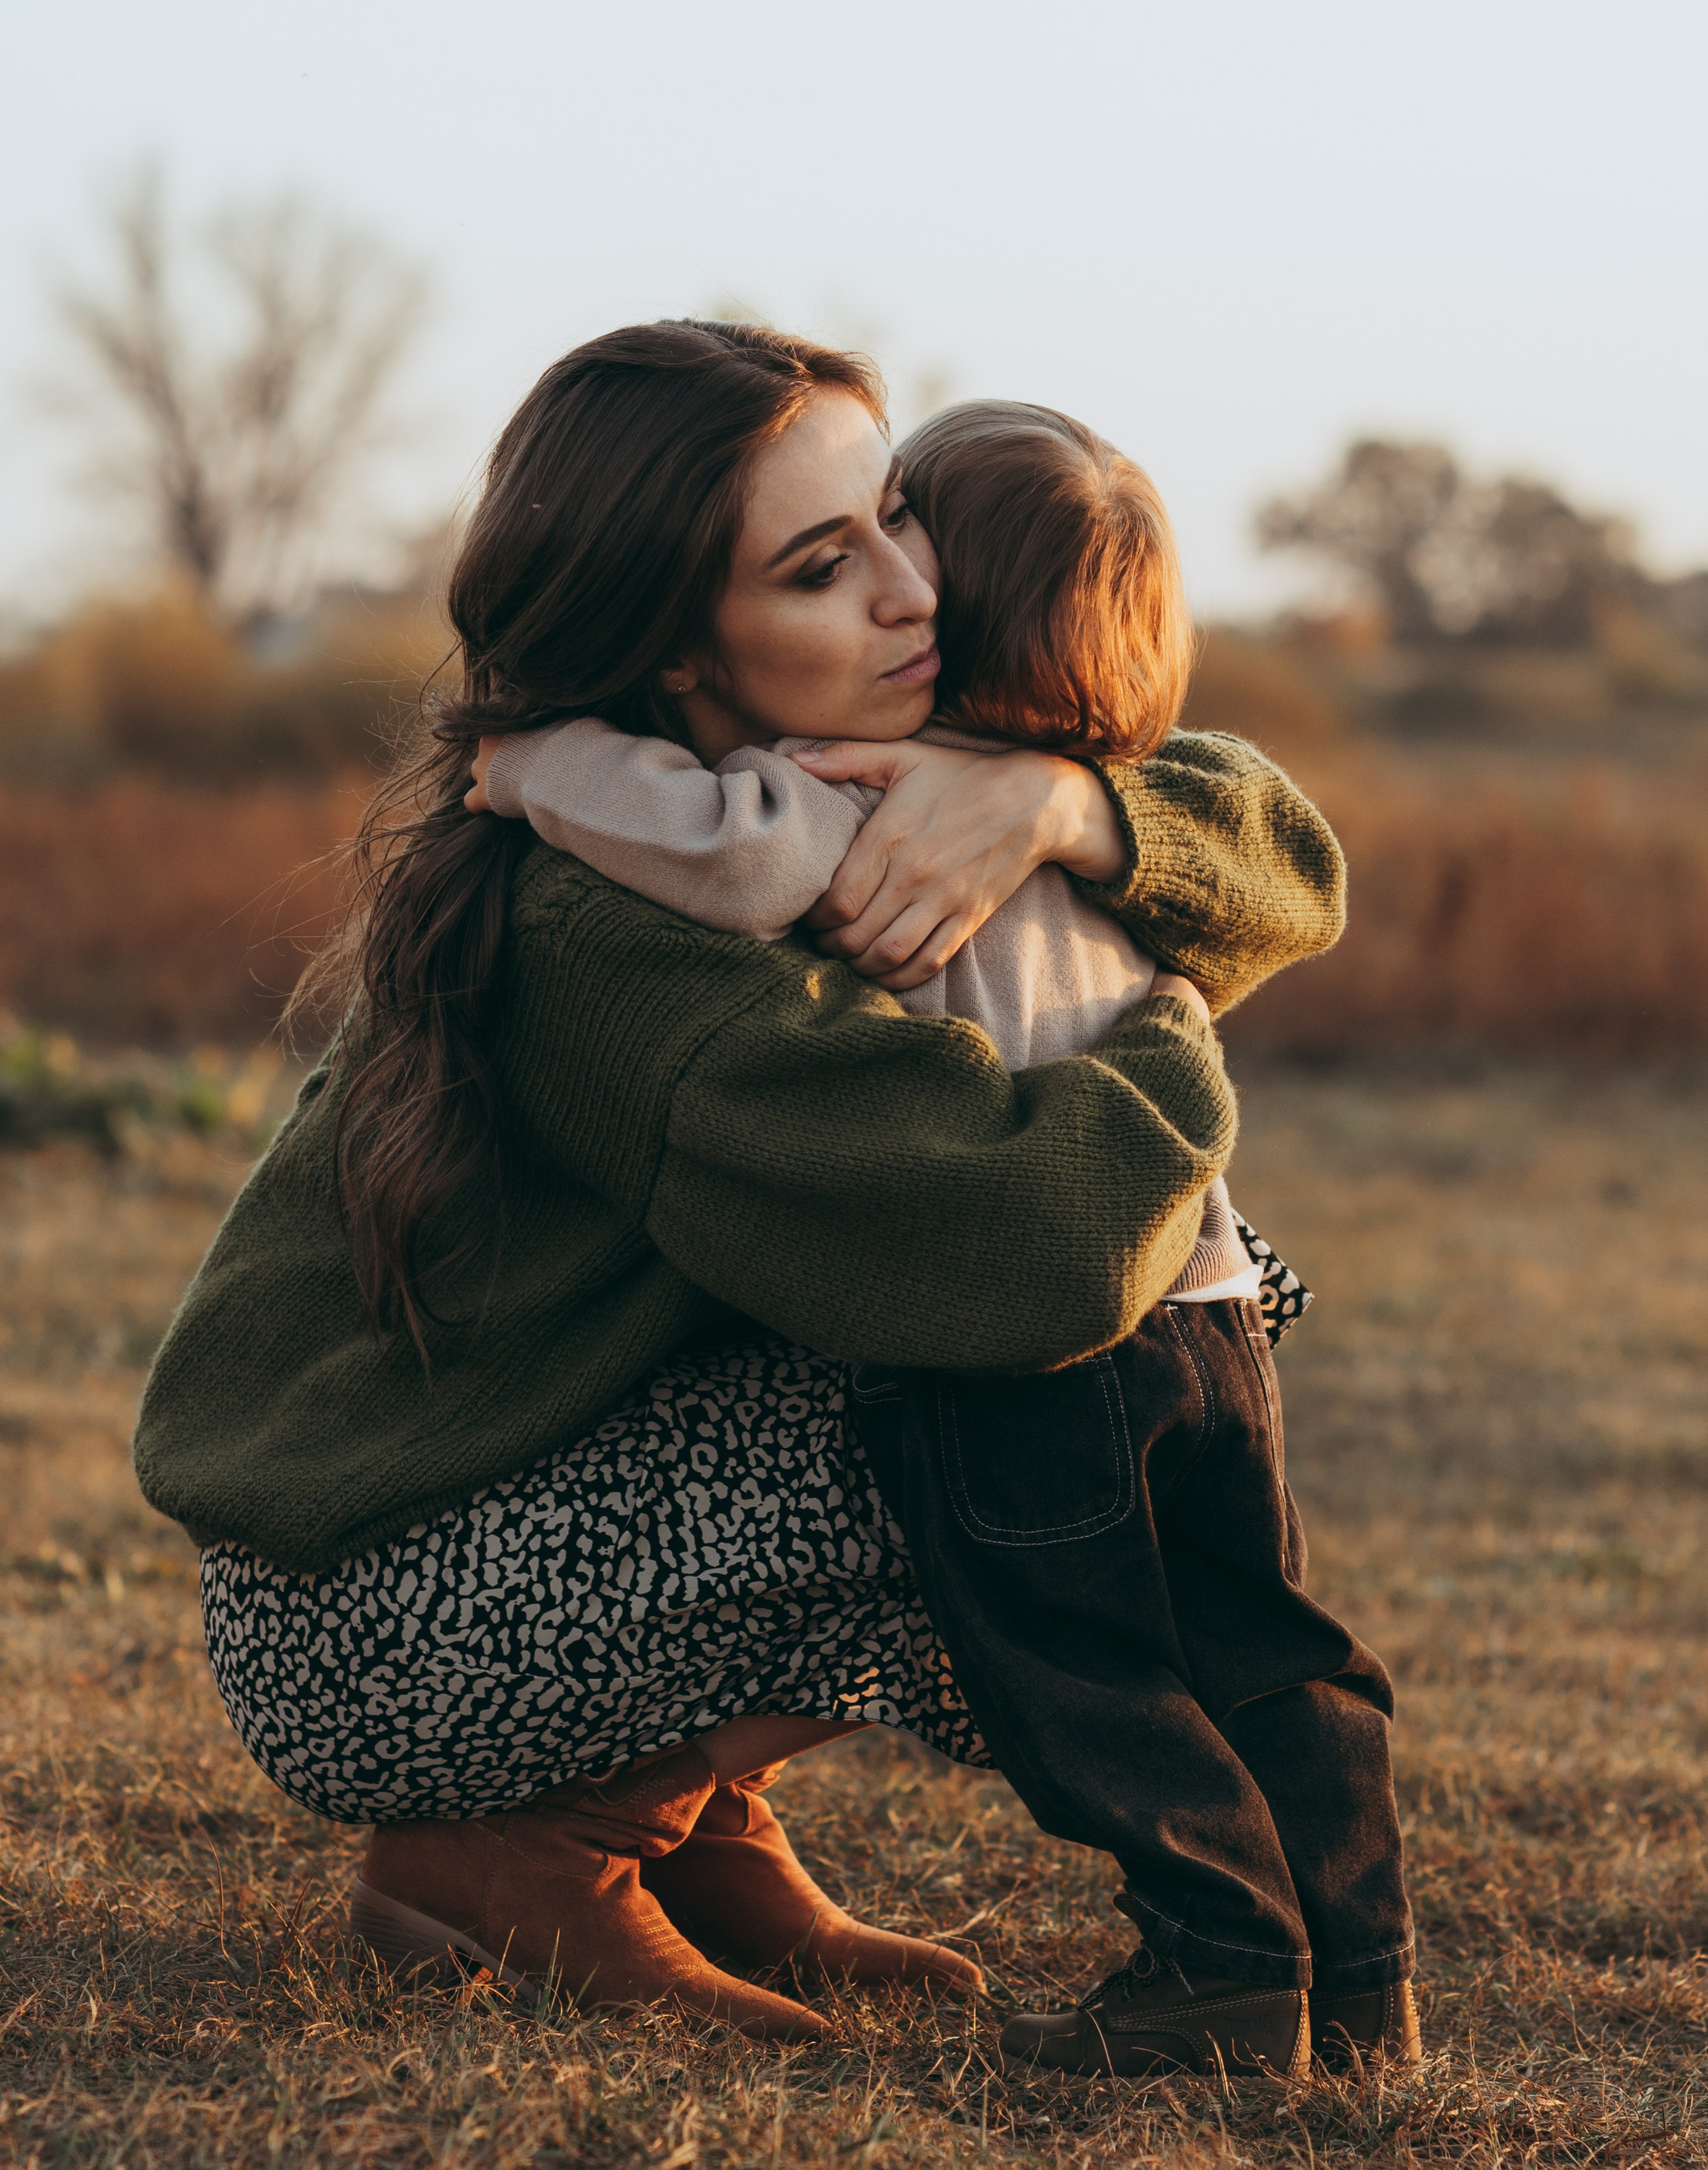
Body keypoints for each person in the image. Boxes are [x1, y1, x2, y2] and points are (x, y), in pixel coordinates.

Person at [134, 319, 1337, 2052]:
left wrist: (1064, 808)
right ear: (680, 660)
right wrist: (1167, 1037)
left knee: (1188, 1309)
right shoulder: (621, 937)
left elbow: (1292, 863)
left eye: (896, 519)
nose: (912, 593)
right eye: (818, 566)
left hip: (479, 1522)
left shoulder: (773, 813)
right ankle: (533, 1840)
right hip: (376, 1620)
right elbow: (1029, 1252)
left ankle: (688, 1814)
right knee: (1097, 1371)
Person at [464, 397, 1415, 2081]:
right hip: (1205, 1313)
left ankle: (1214, 1972)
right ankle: (1359, 1979)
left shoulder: (872, 788)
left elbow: (740, 858)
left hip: (1038, 1340)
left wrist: (542, 764)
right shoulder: (1114, 824)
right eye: (850, 549)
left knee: (1082, 1672)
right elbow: (1254, 843)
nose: (896, 587)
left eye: (908, 541)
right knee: (1258, 1642)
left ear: (955, 607)